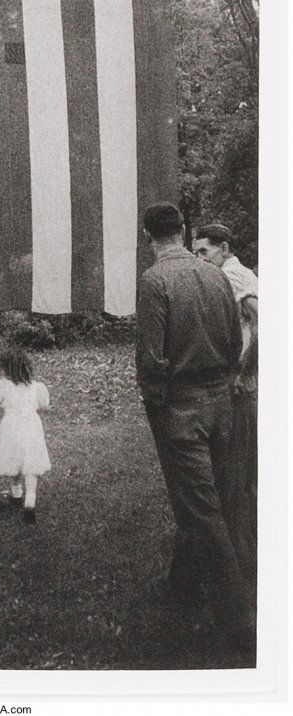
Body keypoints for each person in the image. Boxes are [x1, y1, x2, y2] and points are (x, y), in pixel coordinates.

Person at [136, 202, 254, 653]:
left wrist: (156, 403)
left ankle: (240, 620)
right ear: (183, 231)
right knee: (223, 498)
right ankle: (183, 585)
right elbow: (232, 341)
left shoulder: (155, 281)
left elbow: (151, 359)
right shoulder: (215, 273)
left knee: (203, 509)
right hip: (220, 402)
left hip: (180, 408)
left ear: (149, 237)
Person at [193, 223, 258, 587]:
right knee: (235, 479)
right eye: (196, 252)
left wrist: (242, 372)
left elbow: (262, 324)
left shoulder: (233, 275)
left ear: (223, 248)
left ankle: (240, 568)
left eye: (204, 251)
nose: (200, 258)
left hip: (241, 391)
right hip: (237, 388)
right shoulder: (226, 275)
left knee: (234, 483)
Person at [0, 347, 50, 524]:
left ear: (5, 369)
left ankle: (16, 492)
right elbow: (44, 406)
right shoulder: (36, 386)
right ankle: (30, 501)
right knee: (31, 464)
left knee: (15, 458)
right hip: (31, 424)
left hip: (11, 426)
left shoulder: (1, 387)